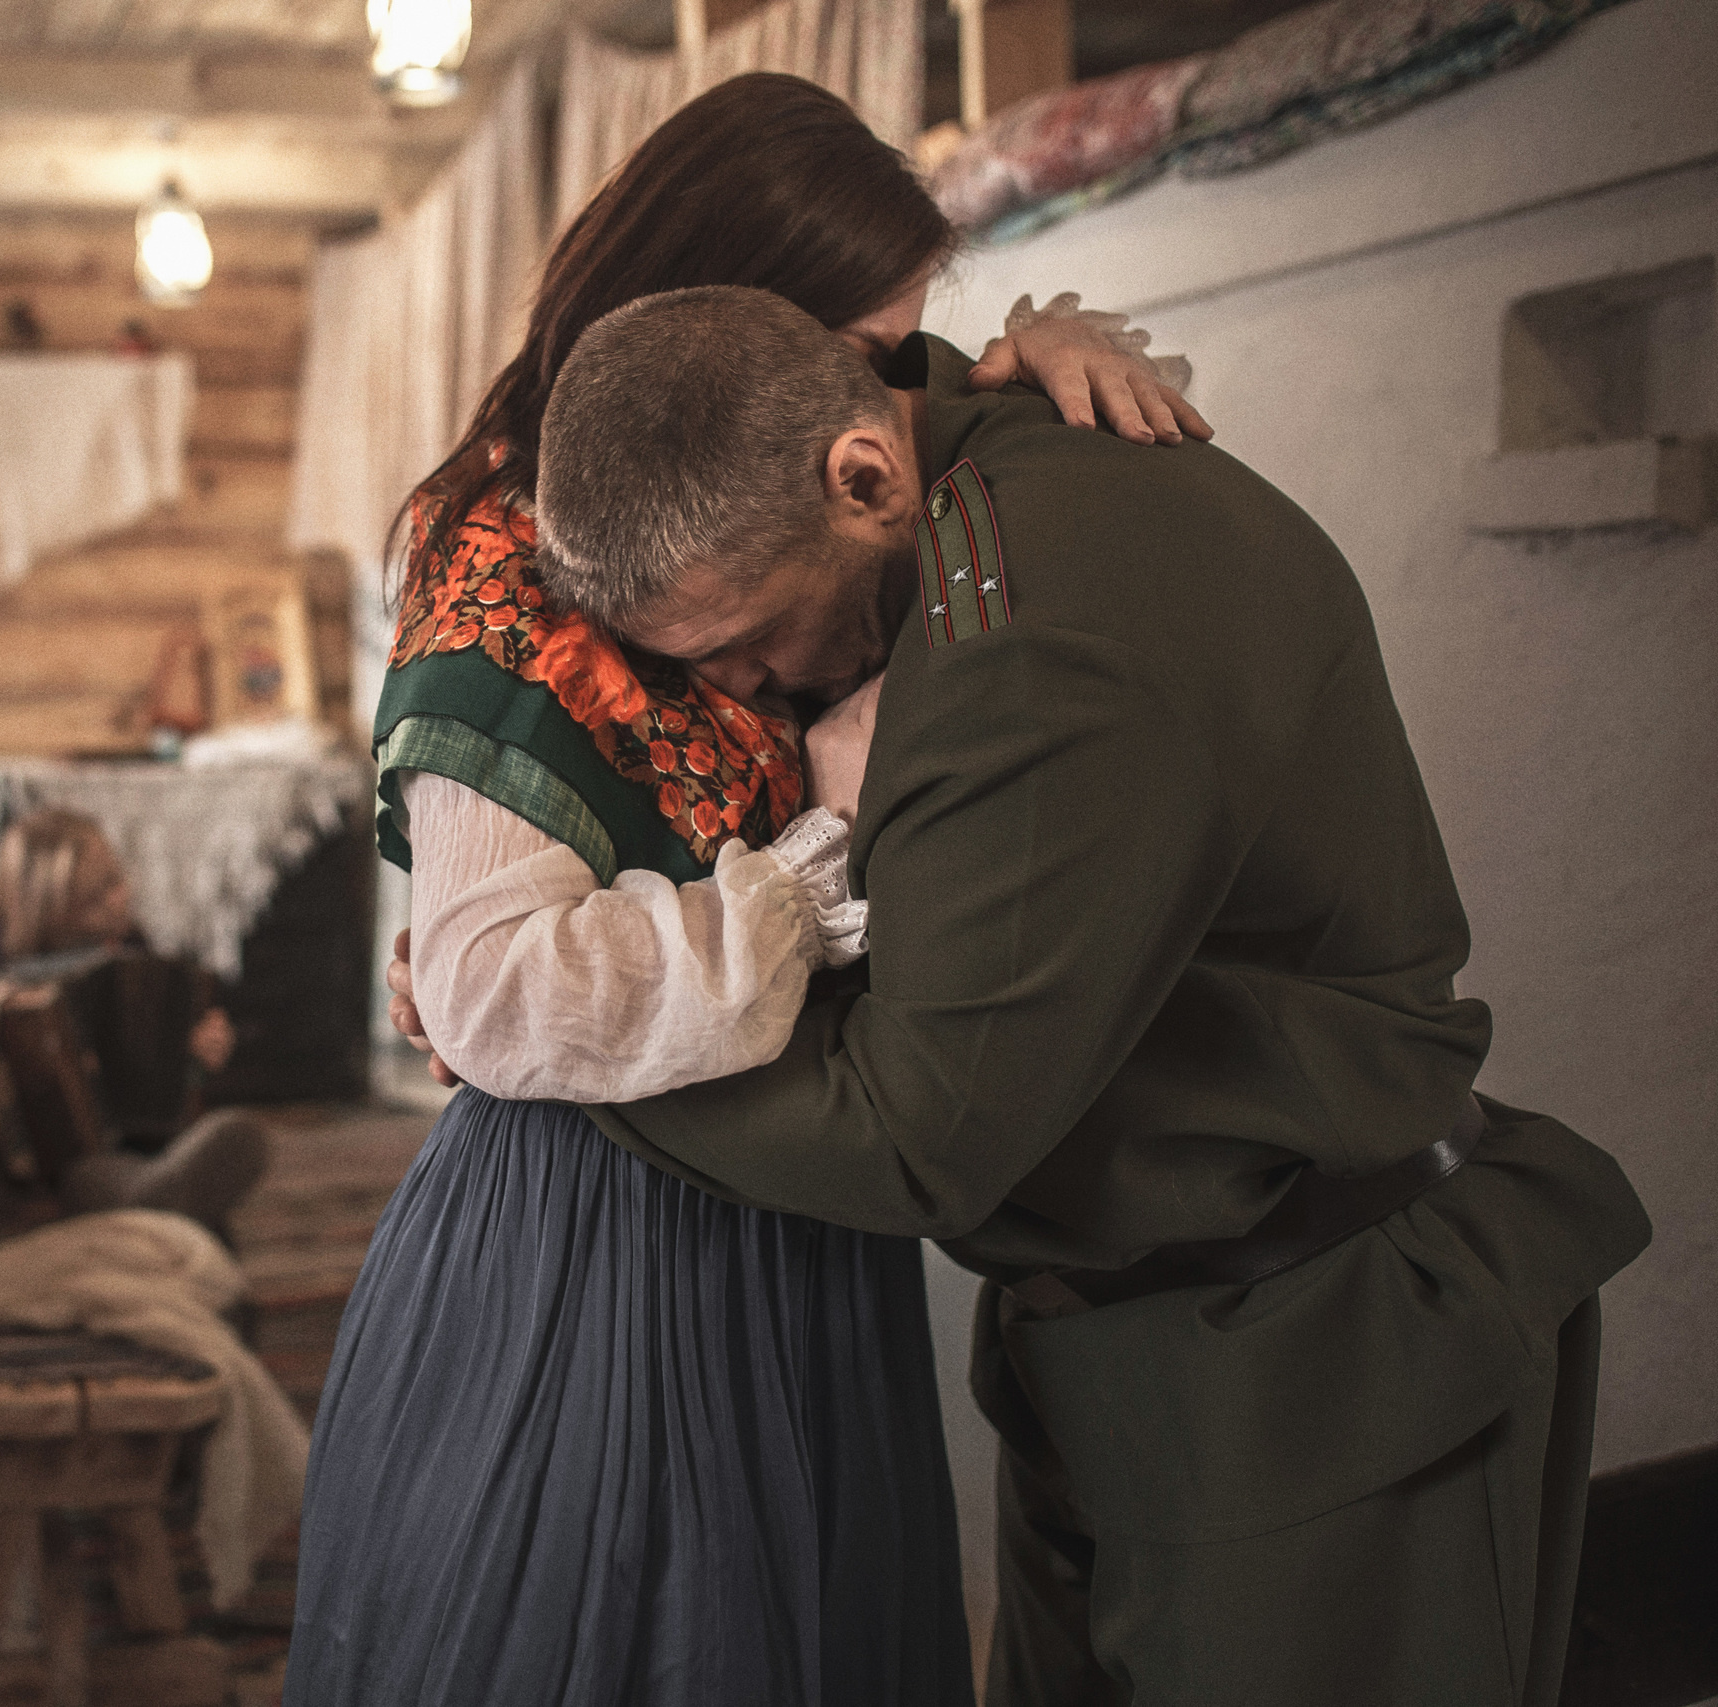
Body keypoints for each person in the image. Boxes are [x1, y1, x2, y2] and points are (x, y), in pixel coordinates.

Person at [452, 283, 1649, 1707]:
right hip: (1129, 1336)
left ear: (863, 475)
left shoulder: (1023, 634)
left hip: (1318, 1367)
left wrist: (546, 1042)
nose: (749, 688)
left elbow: (919, 1129)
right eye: (696, 664)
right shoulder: (966, 454)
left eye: (750, 636)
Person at [284, 73, 1207, 1707]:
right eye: (862, 347)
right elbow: (500, 990)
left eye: (899, 350)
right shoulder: (513, 555)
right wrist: (823, 855)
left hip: (790, 1218)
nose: (883, 393)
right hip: (598, 1251)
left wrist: (1046, 357)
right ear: (701, 315)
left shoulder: (795, 458)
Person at [0, 808, 263, 1237]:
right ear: (44, 906)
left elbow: (174, 1037)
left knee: (156, 1160)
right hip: (40, 1153)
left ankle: (164, 1197)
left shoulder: (130, 944)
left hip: (135, 1135)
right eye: (94, 898)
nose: (118, 899)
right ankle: (158, 1201)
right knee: (85, 1175)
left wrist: (205, 1045)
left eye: (116, 882)